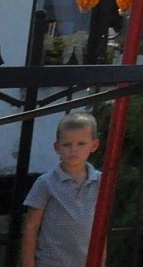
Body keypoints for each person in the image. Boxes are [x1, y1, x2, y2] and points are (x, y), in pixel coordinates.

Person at [20, 112, 102, 267]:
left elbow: (102, 229)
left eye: (81, 144)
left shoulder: (101, 182)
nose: (73, 149)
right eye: (67, 144)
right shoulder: (45, 183)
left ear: (94, 145)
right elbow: (31, 227)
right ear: (57, 147)